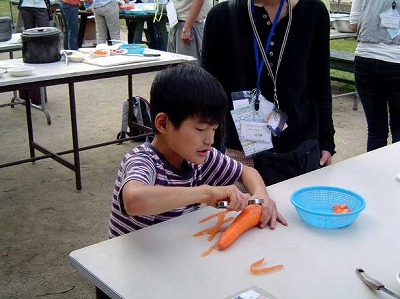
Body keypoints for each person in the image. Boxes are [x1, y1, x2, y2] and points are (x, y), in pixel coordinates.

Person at [108, 63, 287, 239]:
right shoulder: (143, 160)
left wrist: (261, 198)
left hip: (173, 252)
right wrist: (207, 193)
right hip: (134, 262)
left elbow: (247, 172)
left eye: (214, 129)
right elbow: (134, 200)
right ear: (163, 123)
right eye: (200, 129)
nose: (210, 140)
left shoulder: (201, 156)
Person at [201, 0, 335, 187]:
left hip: (302, 149)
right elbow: (209, 95)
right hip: (245, 152)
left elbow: (320, 83)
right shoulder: (223, 16)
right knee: (245, 214)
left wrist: (327, 142)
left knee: (297, 214)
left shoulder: (313, 12)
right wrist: (208, 155)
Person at [350, 0, 400, 152]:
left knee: (375, 129)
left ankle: (375, 173)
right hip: (396, 59)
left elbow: (353, 25)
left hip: (366, 58)